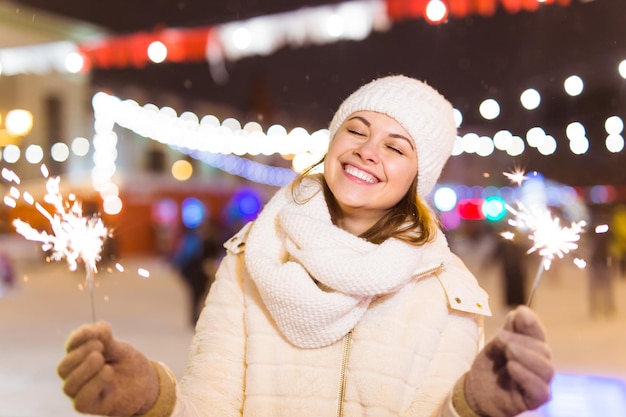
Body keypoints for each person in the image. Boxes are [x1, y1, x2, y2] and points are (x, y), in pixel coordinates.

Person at [57, 75, 554, 417]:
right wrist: (152, 399)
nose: (366, 150)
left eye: (396, 146)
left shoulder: (446, 290)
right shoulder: (252, 259)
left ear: (418, 177)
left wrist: (472, 403)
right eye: (355, 130)